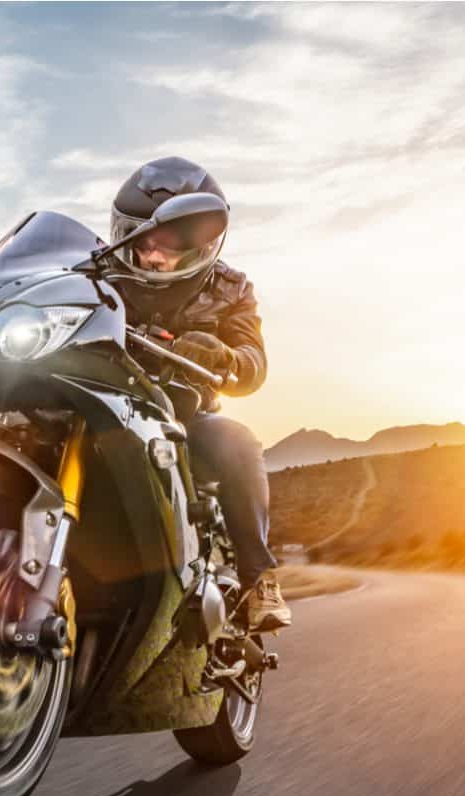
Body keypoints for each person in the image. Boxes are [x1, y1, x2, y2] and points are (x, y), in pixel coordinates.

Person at [108, 156, 291, 633]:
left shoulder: (231, 289)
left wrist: (224, 358)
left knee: (238, 441)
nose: (151, 256)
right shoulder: (100, 272)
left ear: (201, 247)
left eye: (166, 246)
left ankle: (259, 579)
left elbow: (253, 365)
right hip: (103, 400)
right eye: (140, 239)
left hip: (182, 417)